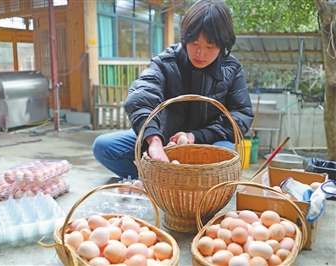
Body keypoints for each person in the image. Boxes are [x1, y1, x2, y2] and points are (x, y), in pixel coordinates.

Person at [92, 0, 254, 179]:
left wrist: (196, 136)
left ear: (223, 44)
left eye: (210, 46)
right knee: (104, 146)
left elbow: (240, 115)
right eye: (194, 43)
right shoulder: (166, 61)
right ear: (185, 38)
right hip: (165, 138)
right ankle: (151, 183)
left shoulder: (231, 68)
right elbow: (141, 96)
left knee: (227, 151)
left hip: (208, 142)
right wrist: (154, 139)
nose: (200, 54)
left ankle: (199, 189)